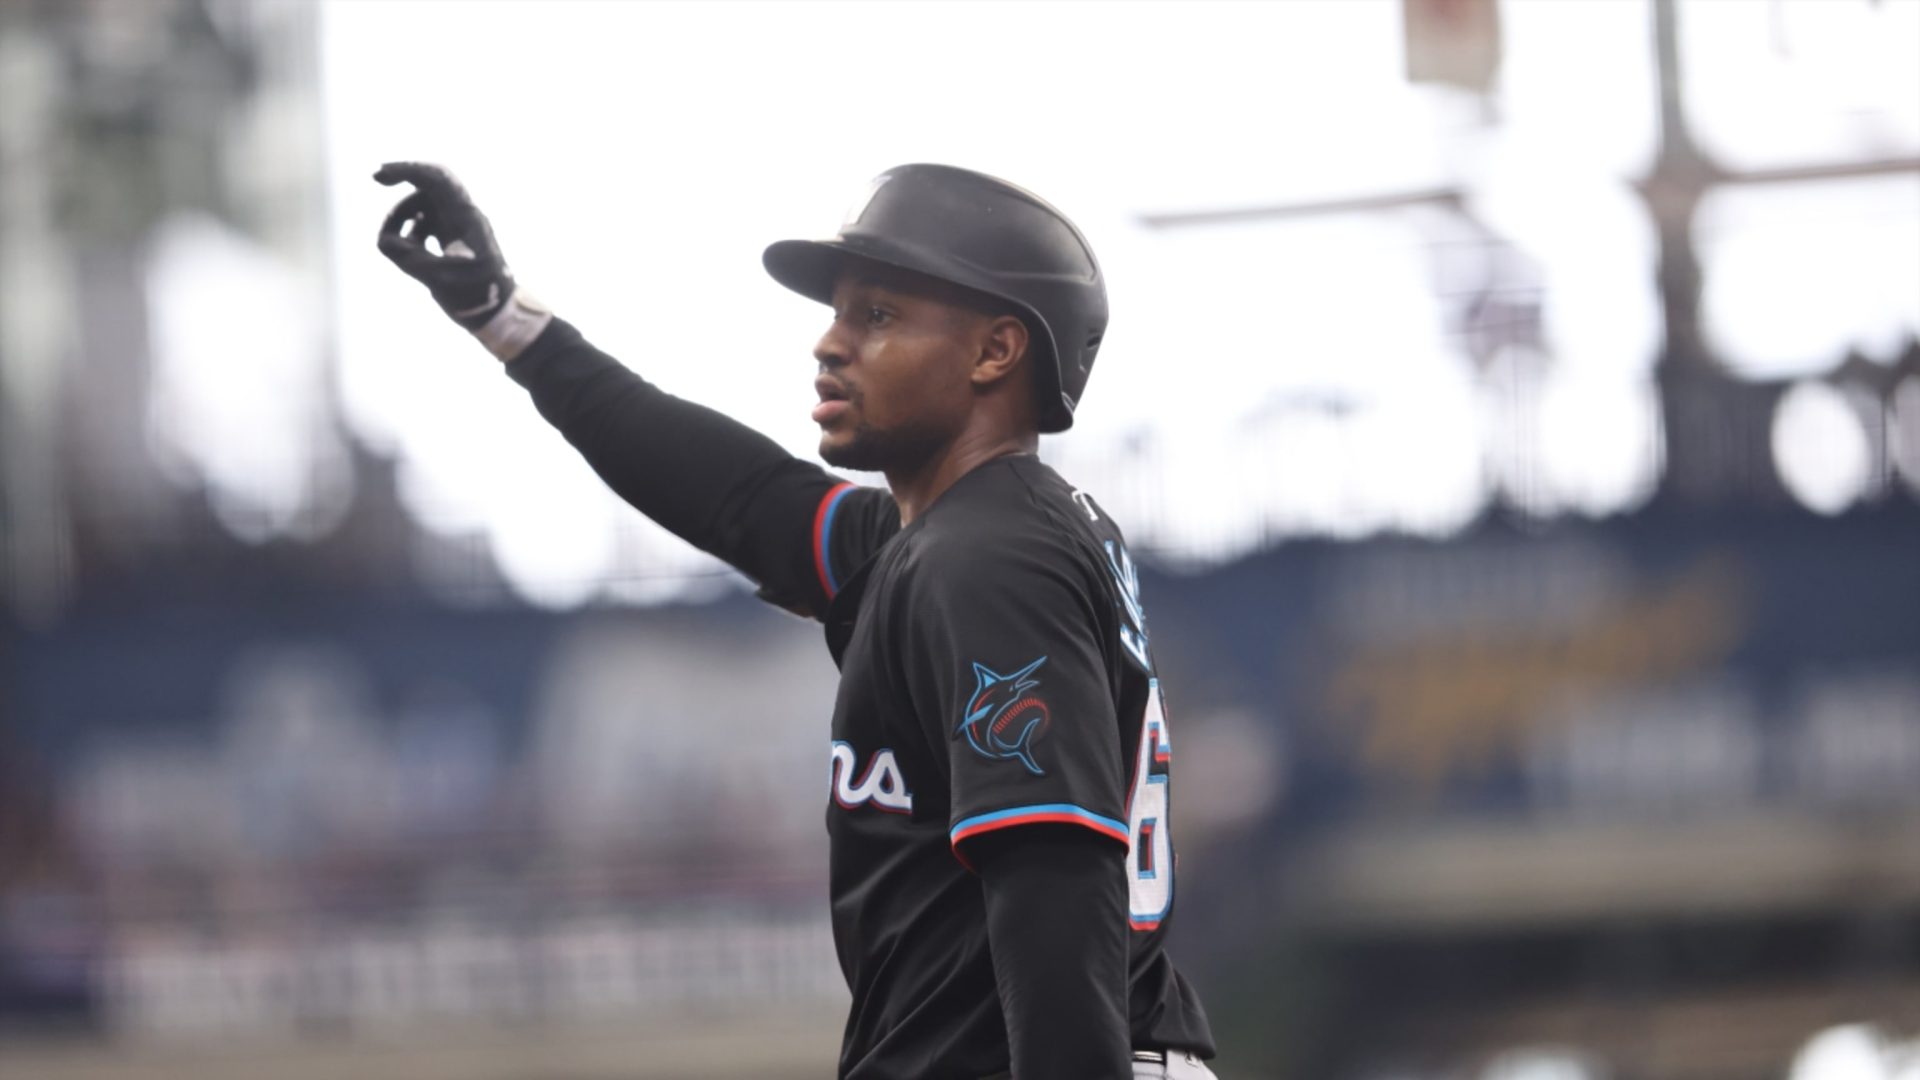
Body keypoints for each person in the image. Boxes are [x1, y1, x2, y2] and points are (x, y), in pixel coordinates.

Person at [375, 161, 1217, 1080]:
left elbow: (1053, 886)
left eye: (878, 315)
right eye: (838, 313)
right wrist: (510, 321)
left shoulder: (988, 561)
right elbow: (742, 496)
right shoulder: (959, 539)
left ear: (995, 352)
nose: (830, 342)